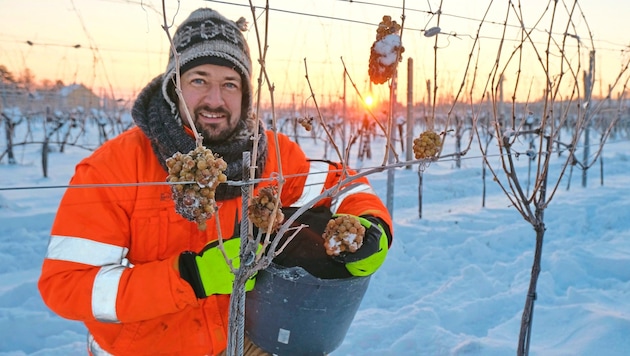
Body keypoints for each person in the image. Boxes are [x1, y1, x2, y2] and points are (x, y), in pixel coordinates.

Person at [38, 8, 393, 356]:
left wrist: (372, 230)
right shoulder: (114, 167)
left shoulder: (270, 155)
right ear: (173, 86)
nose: (215, 99)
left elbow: (343, 185)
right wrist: (190, 277)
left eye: (229, 84)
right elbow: (67, 286)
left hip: (242, 339)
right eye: (199, 80)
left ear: (245, 94)